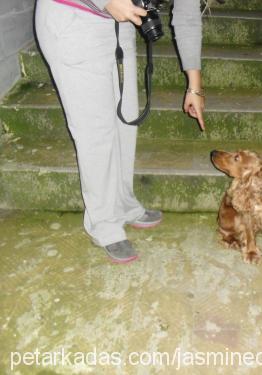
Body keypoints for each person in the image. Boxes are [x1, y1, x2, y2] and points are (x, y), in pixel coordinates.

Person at [34, 0, 205, 263]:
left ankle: (123, 204)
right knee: (96, 132)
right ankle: (103, 224)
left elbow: (188, 15)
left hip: (119, 24)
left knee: (125, 125)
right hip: (73, 17)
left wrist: (194, 86)